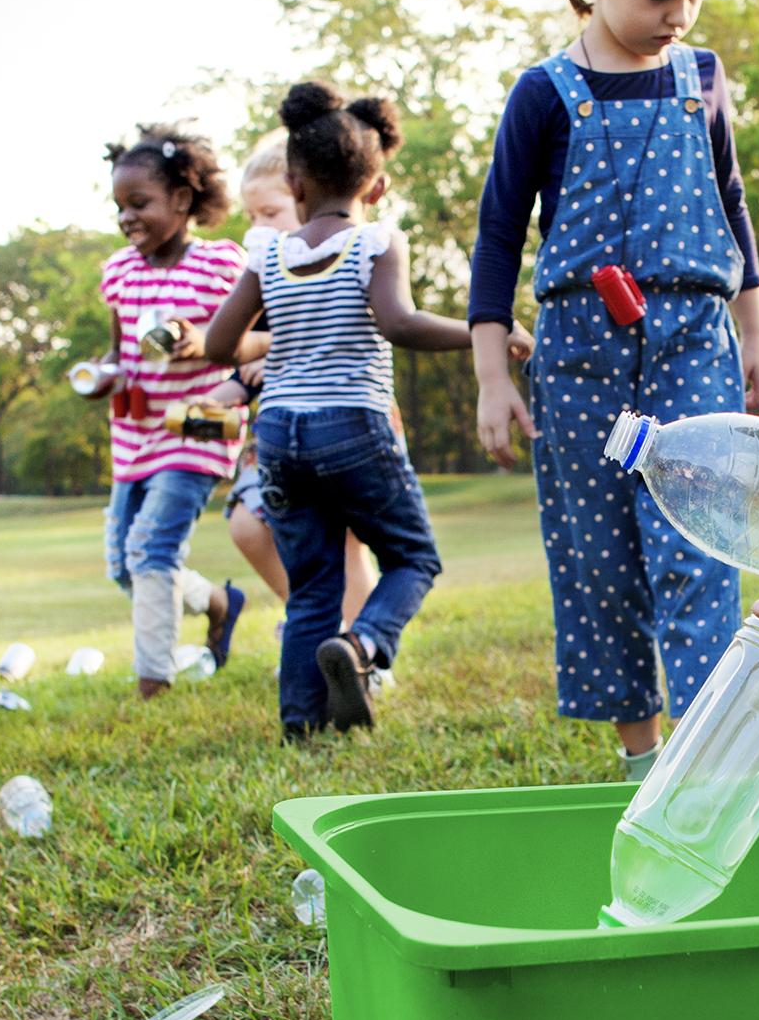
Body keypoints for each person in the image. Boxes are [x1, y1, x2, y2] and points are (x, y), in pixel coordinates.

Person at [470, 0, 759, 782]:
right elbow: (494, 239)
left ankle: (706, 753)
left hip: (692, 343)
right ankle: (644, 758)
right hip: (580, 359)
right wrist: (491, 376)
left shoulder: (702, 80)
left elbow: (734, 209)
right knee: (600, 556)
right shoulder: (542, 95)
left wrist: (754, 341)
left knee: (696, 546)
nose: (678, 13)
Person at [207, 81, 522, 736]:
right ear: (374, 188)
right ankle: (362, 647)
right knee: (413, 559)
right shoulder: (375, 242)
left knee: (312, 585)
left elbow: (217, 346)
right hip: (353, 424)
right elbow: (398, 323)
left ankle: (302, 726)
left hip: (281, 437)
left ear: (293, 185)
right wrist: (483, 329)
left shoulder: (269, 254)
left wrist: (276, 334)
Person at [99, 124, 256, 699]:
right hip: (134, 434)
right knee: (124, 565)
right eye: (119, 206)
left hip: (199, 426)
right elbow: (118, 354)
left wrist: (209, 343)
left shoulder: (221, 264)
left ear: (183, 200)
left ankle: (153, 681)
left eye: (139, 203)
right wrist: (101, 376)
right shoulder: (117, 271)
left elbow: (261, 338)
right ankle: (218, 602)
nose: (126, 217)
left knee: (152, 551)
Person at [213, 131, 381, 633]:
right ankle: (318, 620)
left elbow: (362, 336)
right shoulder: (266, 273)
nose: (258, 226)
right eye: (251, 217)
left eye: (270, 212)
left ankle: (362, 645)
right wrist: (225, 391)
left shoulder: (356, 256)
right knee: (248, 524)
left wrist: (275, 353)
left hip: (347, 418)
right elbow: (241, 350)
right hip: (279, 432)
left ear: (307, 194)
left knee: (347, 543)